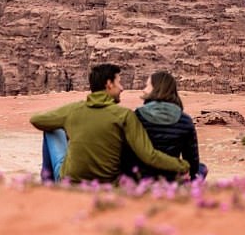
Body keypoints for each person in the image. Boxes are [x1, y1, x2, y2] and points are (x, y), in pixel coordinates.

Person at [30, 64, 190, 183]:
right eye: (119, 82)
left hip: (70, 180)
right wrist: (182, 165)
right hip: (107, 183)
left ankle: (48, 185)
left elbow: (36, 120)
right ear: (109, 84)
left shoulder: (73, 110)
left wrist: (69, 128)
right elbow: (149, 155)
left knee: (52, 129)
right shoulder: (124, 115)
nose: (122, 88)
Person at [122, 71, 207, 181]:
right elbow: (192, 161)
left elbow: (127, 153)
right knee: (202, 168)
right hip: (172, 176)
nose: (143, 89)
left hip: (141, 176)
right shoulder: (185, 121)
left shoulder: (138, 116)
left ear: (157, 89)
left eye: (147, 86)